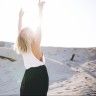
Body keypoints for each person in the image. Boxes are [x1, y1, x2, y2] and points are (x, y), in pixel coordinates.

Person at [16, 0, 49, 96]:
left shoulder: (34, 44)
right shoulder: (24, 48)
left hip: (39, 75)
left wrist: (40, 9)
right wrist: (20, 17)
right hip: (30, 75)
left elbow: (39, 26)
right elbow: (19, 30)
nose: (22, 32)